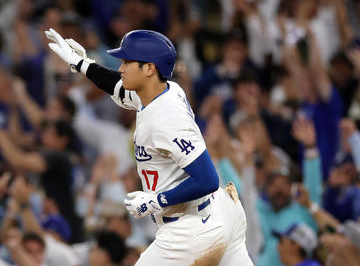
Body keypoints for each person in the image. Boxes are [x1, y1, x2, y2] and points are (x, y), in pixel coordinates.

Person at [45, 28, 252, 264]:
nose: (121, 67)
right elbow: (116, 85)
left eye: (127, 61)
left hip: (190, 228)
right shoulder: (163, 91)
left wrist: (155, 201)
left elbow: (207, 179)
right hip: (217, 212)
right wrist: (82, 63)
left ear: (150, 68)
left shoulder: (166, 118)